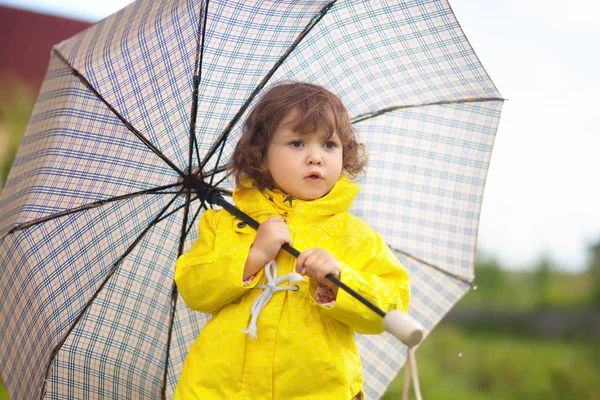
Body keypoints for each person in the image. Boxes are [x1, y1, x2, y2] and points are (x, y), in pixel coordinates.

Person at [174, 82, 410, 399]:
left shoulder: (354, 235)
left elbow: (391, 304)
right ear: (260, 156)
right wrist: (253, 256)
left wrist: (339, 279)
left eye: (329, 145)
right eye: (297, 143)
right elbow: (194, 286)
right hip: (221, 388)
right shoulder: (227, 224)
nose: (315, 157)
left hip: (317, 389)